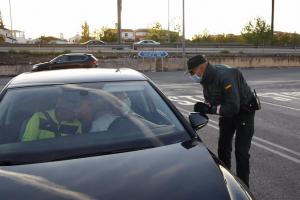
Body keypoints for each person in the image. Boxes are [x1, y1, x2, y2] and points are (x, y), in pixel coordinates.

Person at [187, 55, 260, 187]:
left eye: (192, 72)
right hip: (228, 110)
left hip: (244, 111)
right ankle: (226, 183)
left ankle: (243, 188)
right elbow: (214, 99)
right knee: (223, 148)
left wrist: (211, 109)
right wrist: (206, 106)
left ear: (201, 68)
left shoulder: (225, 76)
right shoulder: (206, 79)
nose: (191, 75)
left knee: (241, 152)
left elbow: (233, 107)